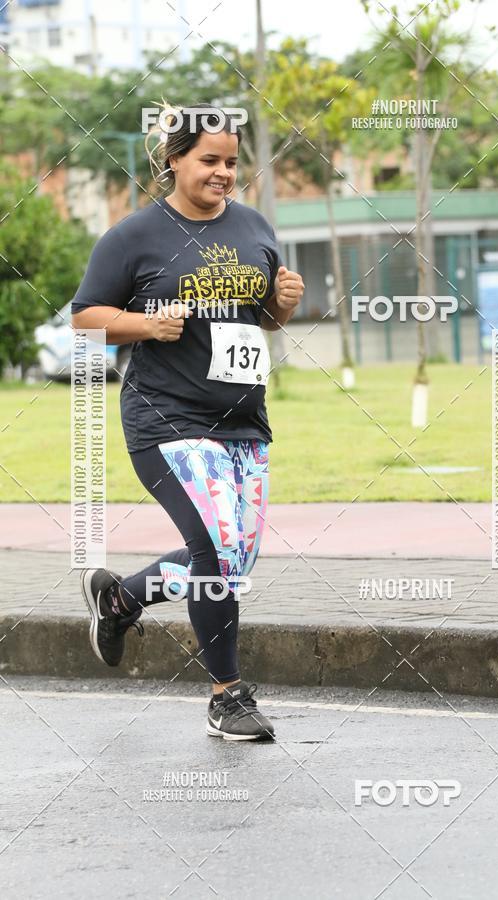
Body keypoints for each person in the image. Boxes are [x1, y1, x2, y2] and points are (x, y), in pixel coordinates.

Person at [71, 103, 304, 741]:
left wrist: (283, 305)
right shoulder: (134, 236)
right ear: (173, 160)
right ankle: (228, 696)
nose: (224, 172)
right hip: (165, 417)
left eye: (231, 162)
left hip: (242, 419)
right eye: (209, 160)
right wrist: (144, 324)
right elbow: (85, 315)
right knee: (218, 549)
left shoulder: (255, 227)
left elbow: (260, 320)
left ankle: (121, 599)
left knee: (231, 562)